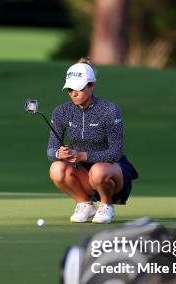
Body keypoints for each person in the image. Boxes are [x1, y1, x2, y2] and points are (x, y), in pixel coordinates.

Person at [48, 57, 138, 224]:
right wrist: (60, 153)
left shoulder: (109, 110)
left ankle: (106, 206)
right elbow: (50, 151)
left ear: (92, 86)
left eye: (79, 89)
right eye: (69, 89)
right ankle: (85, 204)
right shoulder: (61, 111)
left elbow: (115, 152)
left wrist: (83, 156)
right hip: (82, 172)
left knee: (98, 171)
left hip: (112, 170)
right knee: (56, 169)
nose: (73, 93)